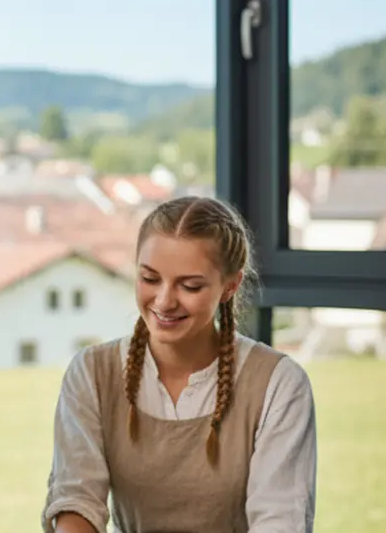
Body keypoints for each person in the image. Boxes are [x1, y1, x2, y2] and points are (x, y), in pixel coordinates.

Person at [42, 195, 317, 533]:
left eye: (190, 285)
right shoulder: (91, 373)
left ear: (230, 286)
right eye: (150, 279)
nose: (164, 301)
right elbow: (76, 502)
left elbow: (280, 521)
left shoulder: (279, 384)